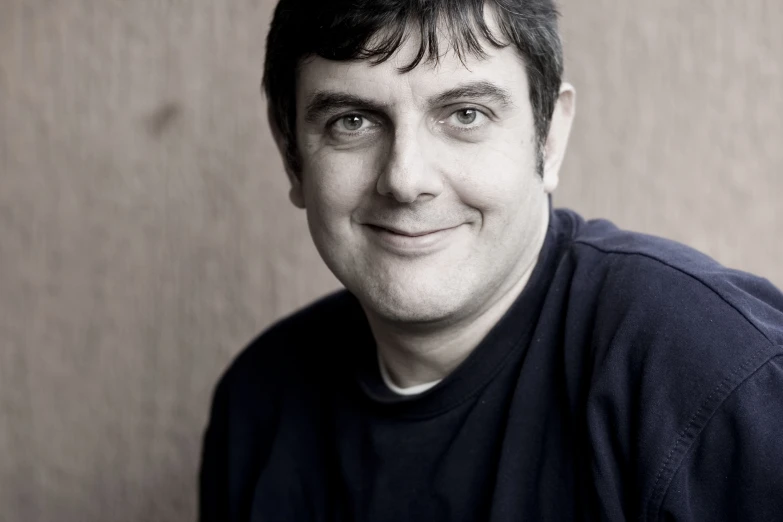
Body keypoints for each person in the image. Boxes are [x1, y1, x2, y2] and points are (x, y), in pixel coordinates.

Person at [198, 0, 783, 520]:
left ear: (548, 137)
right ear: (292, 156)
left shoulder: (712, 373)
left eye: (465, 115)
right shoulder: (259, 403)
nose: (406, 179)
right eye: (352, 121)